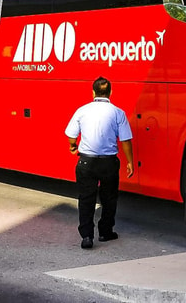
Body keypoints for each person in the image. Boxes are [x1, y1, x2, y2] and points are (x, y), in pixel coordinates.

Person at [64, 76, 135, 250]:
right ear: (111, 92)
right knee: (109, 198)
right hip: (108, 162)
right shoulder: (118, 112)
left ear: (93, 92)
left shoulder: (82, 110)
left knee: (86, 199)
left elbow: (71, 135)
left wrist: (73, 147)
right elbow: (125, 140)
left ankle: (87, 236)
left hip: (86, 162)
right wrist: (130, 162)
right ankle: (105, 231)